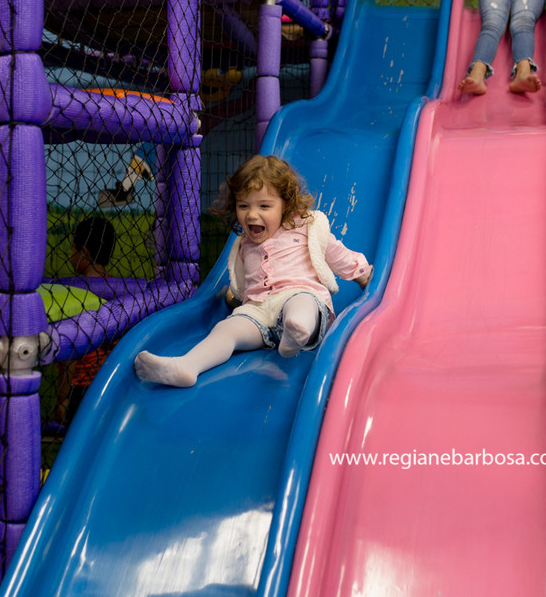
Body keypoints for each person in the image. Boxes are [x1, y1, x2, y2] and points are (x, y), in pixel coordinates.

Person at [134, 155, 372, 388]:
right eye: (243, 205)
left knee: (302, 303)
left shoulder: (306, 227)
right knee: (225, 329)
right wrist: (235, 297)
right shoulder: (243, 244)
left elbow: (335, 253)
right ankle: (187, 366)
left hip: (300, 295)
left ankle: (296, 330)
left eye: (264, 206)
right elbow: (246, 283)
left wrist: (361, 274)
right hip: (258, 311)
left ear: (286, 206)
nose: (252, 214)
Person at [56, 215, 117, 422]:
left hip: (81, 387)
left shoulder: (74, 294)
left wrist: (62, 398)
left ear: (84, 253)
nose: (71, 255)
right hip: (109, 384)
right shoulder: (116, 290)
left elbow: (69, 357)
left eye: (73, 249)